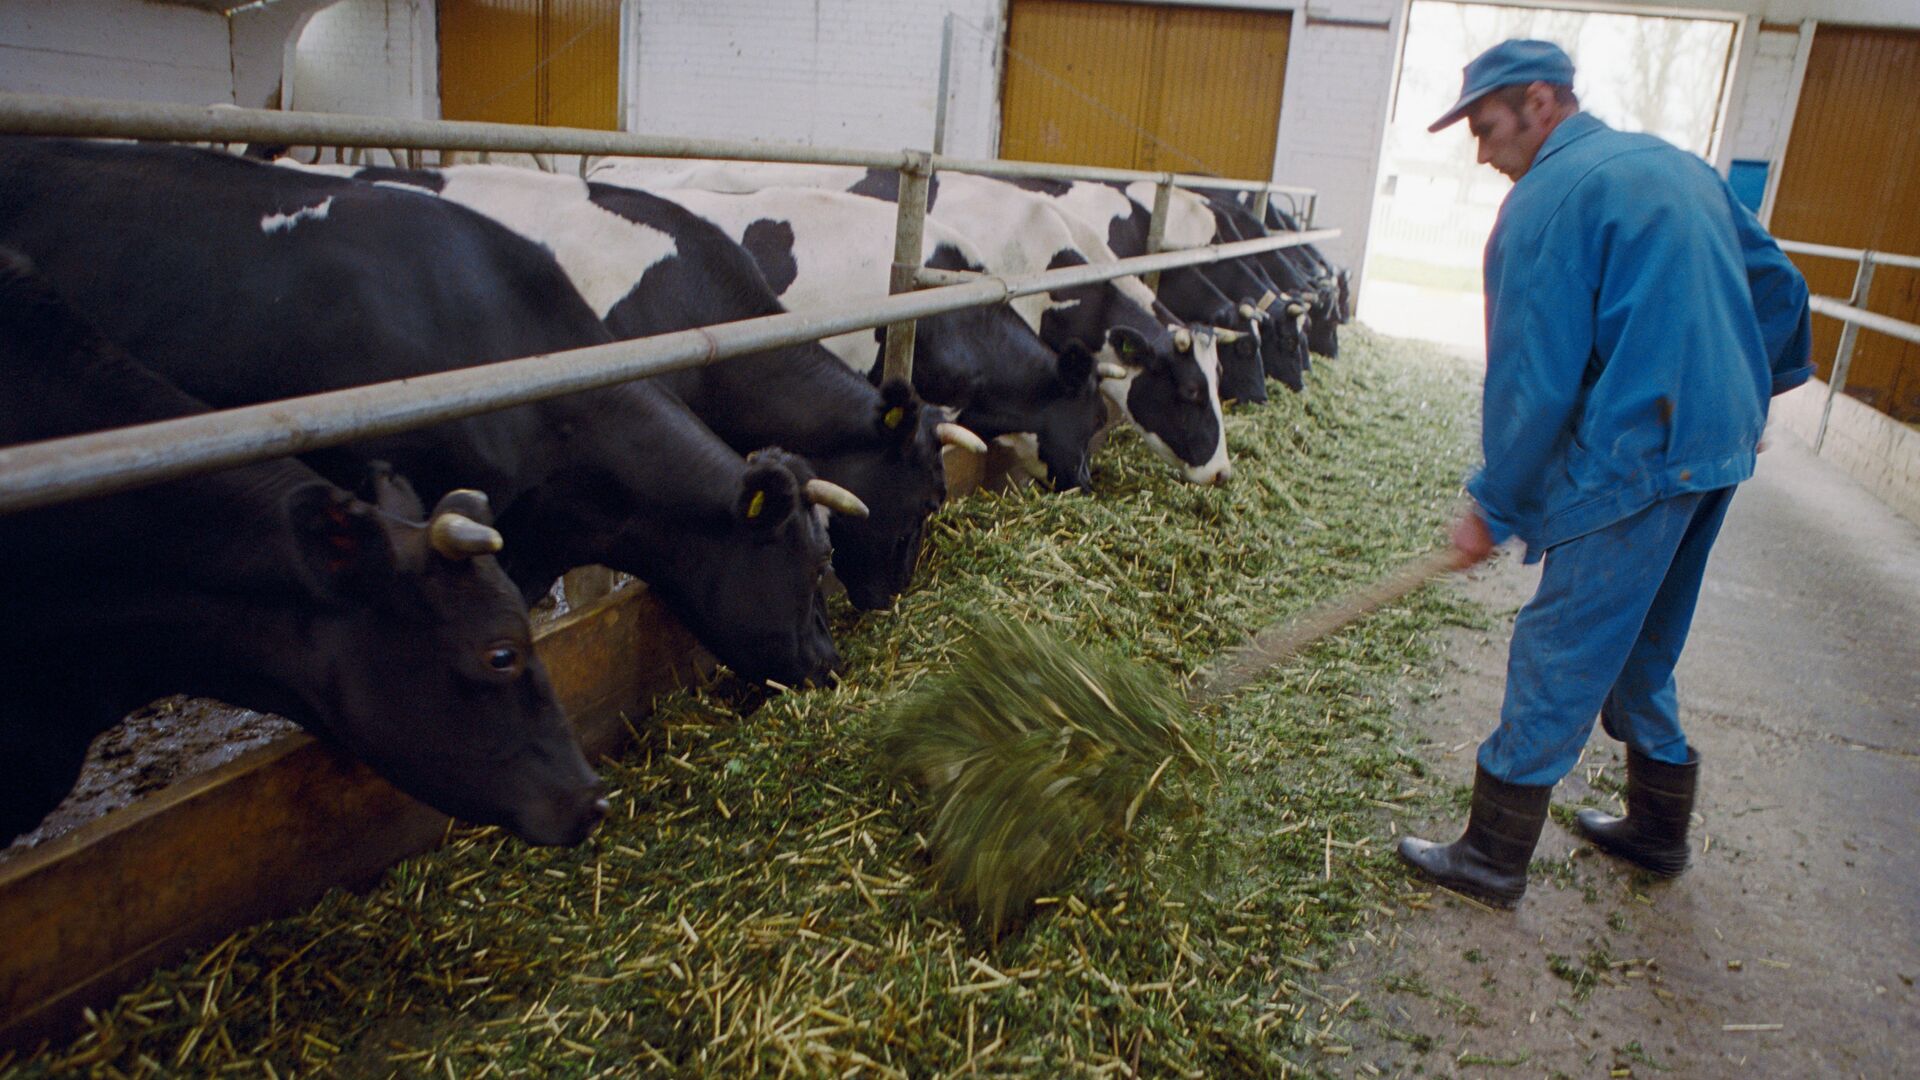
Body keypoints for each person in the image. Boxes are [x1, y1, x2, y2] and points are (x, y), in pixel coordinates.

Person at [1396, 39, 1814, 908]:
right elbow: (1780, 289)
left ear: (1542, 102)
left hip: (1638, 448)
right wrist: (1750, 388)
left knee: (1561, 644)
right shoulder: (1681, 167)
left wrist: (1493, 502)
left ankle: (1491, 856)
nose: (1481, 150)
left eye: (1486, 124)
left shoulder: (1547, 201)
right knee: (1643, 639)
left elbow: (1531, 380)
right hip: (1717, 445)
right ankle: (1659, 830)